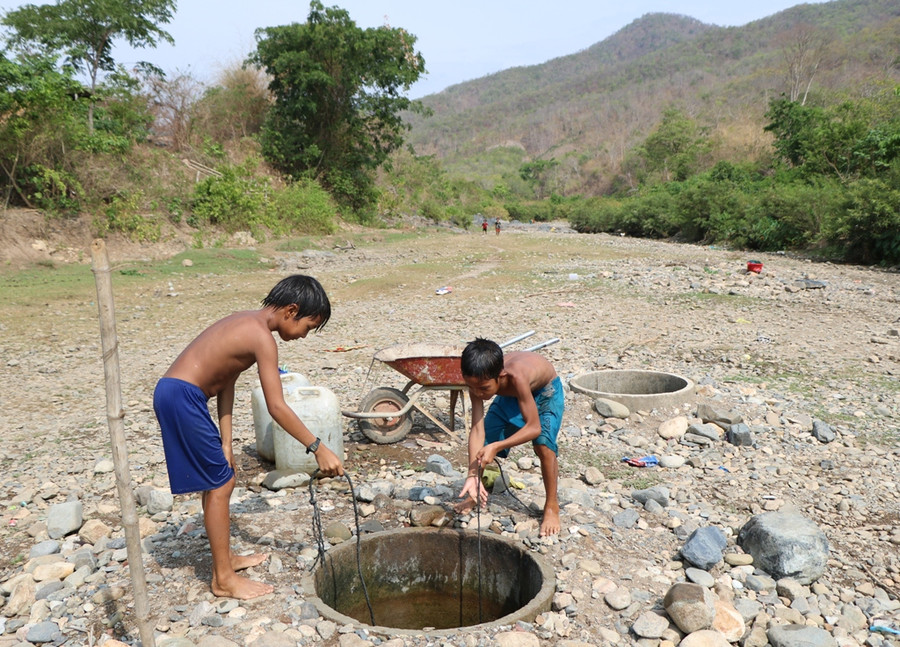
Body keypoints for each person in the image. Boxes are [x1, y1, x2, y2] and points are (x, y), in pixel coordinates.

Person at [153, 274, 344, 600]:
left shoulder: (245, 322)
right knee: (221, 484)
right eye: (307, 327)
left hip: (180, 394)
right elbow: (277, 407)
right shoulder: (261, 338)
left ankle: (225, 561)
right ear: (291, 311)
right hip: (182, 397)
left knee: (222, 477)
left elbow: (226, 381)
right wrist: (317, 447)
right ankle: (223, 580)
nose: (304, 336)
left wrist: (226, 443)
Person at [457, 338, 563, 536]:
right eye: (472, 388)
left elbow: (534, 428)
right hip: (510, 395)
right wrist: (472, 475)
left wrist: (498, 446)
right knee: (485, 441)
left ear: (501, 375)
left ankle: (551, 506)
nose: (478, 394)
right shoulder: (476, 382)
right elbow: (477, 430)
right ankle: (474, 493)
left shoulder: (516, 377)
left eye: (484, 389)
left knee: (543, 445)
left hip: (545, 390)